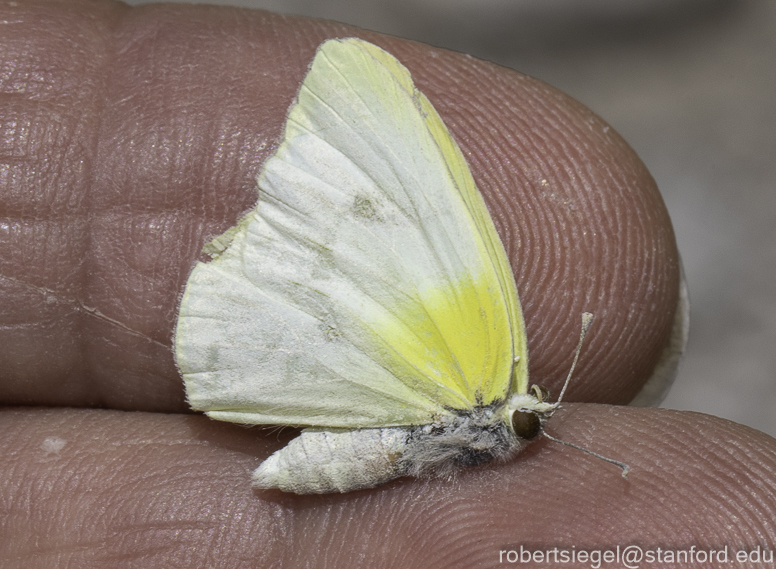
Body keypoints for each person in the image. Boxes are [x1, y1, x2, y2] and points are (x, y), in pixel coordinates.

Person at [1, 1, 774, 566]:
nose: (536, 409)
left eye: (532, 418)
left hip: (334, 382)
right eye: (532, 419)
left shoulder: (491, 382)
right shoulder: (486, 367)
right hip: (327, 369)